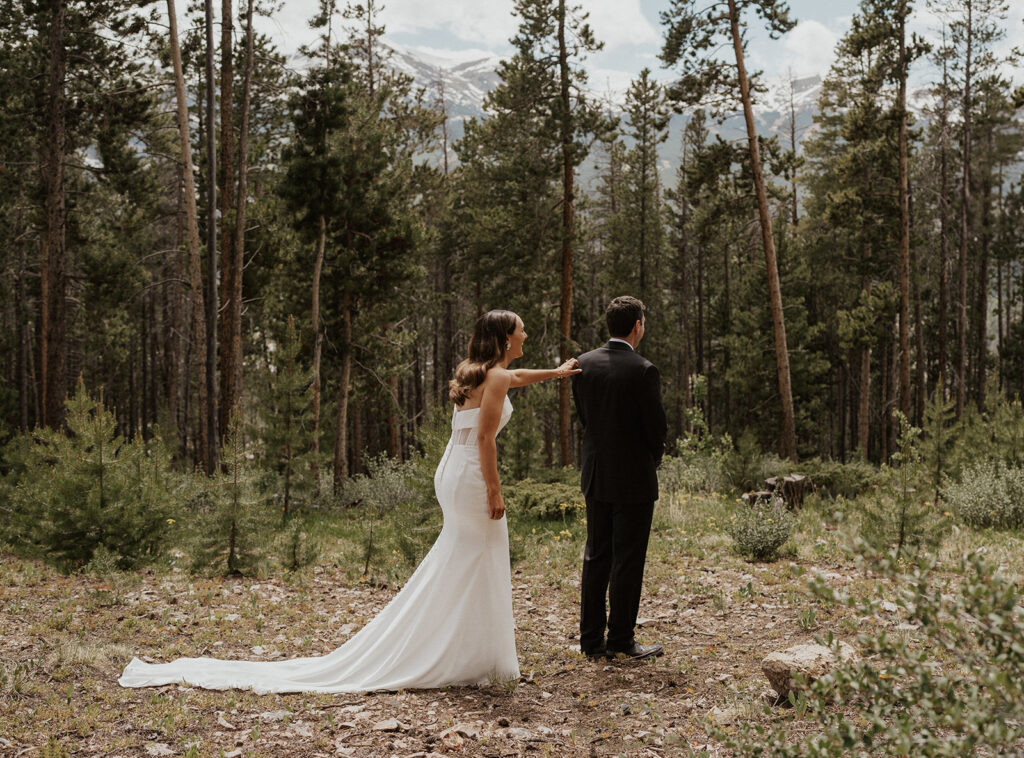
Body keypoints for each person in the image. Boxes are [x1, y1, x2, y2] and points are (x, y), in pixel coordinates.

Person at [118, 310, 580, 694]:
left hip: (452, 472)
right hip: (473, 475)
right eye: (520, 329)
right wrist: (496, 490)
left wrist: (556, 374)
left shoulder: (479, 372)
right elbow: (485, 438)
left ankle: (469, 652)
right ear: (504, 337)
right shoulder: (495, 377)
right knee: (478, 556)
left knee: (467, 559)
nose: (525, 334)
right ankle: (462, 655)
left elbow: (515, 376)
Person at [572, 296, 667, 660]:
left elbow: (584, 417)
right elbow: (656, 429)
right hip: (633, 479)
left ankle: (591, 641)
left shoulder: (583, 364)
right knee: (627, 559)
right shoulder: (643, 369)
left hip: (596, 474)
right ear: (637, 325)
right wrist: (650, 460)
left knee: (596, 555)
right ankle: (622, 640)